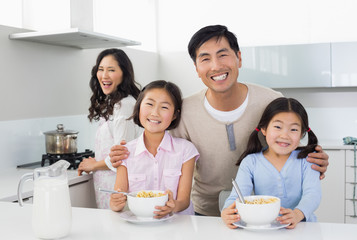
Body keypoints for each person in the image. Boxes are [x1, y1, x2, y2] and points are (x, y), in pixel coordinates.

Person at [108, 25, 329, 216]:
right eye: (205, 58)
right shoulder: (185, 110)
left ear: (239, 58)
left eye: (223, 54)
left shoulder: (271, 101)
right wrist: (123, 153)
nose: (215, 66)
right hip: (205, 211)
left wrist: (315, 159)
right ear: (196, 68)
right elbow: (161, 147)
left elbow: (290, 147)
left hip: (263, 211)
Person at [221, 97, 321, 229]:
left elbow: (312, 194)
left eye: (294, 129)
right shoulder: (250, 162)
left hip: (302, 227)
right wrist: (226, 212)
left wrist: (297, 214)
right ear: (264, 129)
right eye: (278, 127)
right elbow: (237, 196)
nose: (285, 135)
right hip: (264, 228)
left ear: (302, 133)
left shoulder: (307, 160)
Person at [109, 80, 199, 217]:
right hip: (141, 225)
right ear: (139, 107)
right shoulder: (125, 152)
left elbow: (184, 201)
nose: (155, 113)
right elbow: (119, 196)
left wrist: (173, 206)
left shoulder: (186, 150)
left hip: (179, 227)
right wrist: (115, 204)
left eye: (164, 107)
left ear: (175, 114)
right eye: (149, 104)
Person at [77, 48, 142, 209]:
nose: (104, 75)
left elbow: (123, 155)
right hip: (109, 185)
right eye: (101, 69)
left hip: (120, 187)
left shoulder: (125, 105)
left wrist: (94, 165)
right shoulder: (115, 103)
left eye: (111, 70)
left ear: (124, 74)